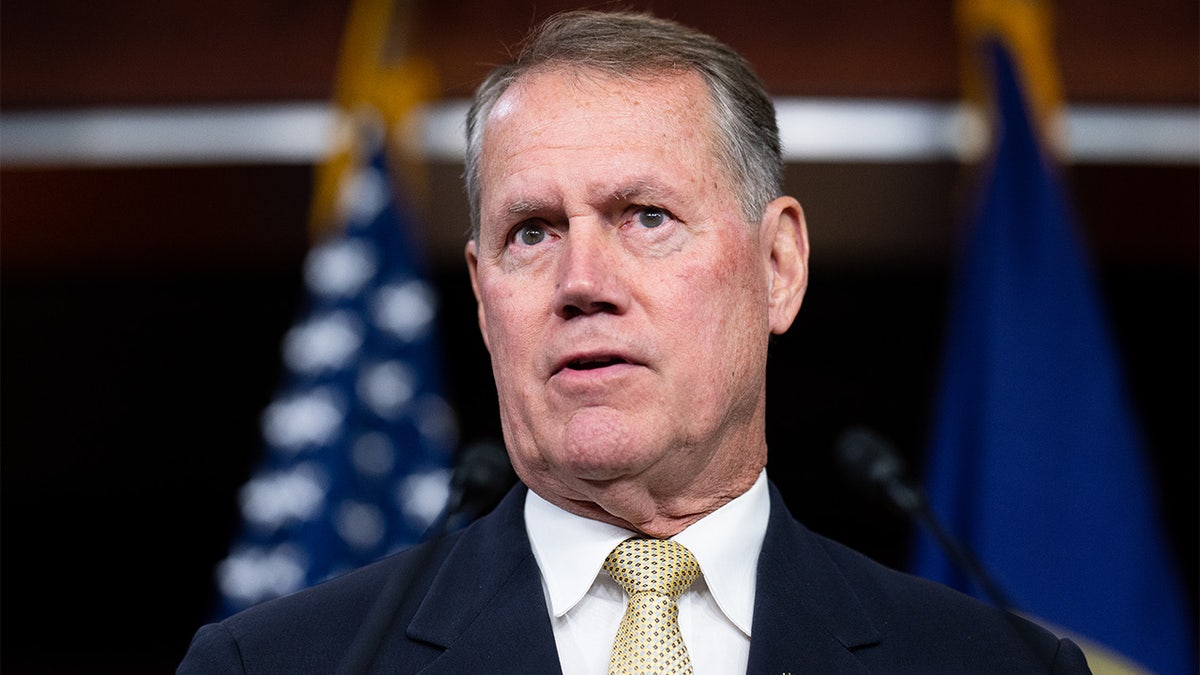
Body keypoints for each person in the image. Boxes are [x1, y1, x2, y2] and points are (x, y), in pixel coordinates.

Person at [178, 9, 1092, 674]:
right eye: (531, 231)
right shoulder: (280, 663)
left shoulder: (991, 664)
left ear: (778, 264)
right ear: (482, 296)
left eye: (645, 216)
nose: (582, 283)